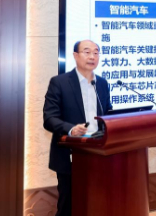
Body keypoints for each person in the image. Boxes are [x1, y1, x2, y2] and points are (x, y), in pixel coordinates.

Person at [43, 39, 112, 216]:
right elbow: (49, 118)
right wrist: (71, 129)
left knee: (98, 204)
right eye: (87, 52)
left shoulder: (102, 84)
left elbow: (108, 113)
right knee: (69, 206)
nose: (92, 57)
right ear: (75, 55)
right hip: (71, 154)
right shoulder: (59, 82)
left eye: (96, 52)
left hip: (99, 153)